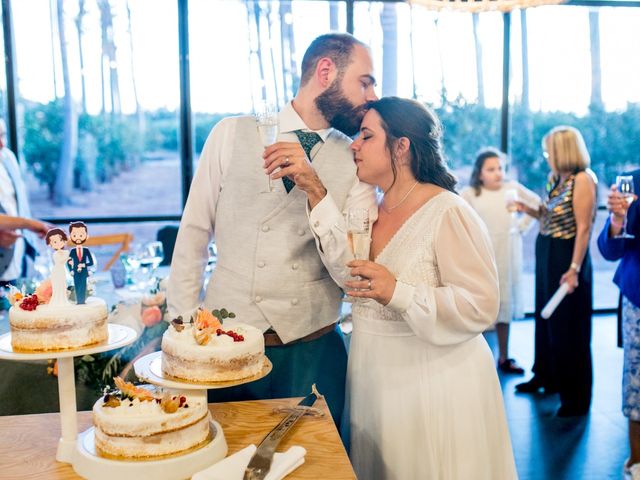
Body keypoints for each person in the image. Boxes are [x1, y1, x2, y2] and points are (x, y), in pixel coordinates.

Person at [290, 97, 517, 479]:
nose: (354, 146)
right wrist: (316, 190)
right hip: (374, 379)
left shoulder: (447, 211)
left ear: (401, 146)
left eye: (366, 136)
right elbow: (350, 274)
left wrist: (401, 292)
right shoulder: (372, 209)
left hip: (433, 385)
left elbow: (481, 304)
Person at [167, 33, 378, 425]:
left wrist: (317, 190)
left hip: (311, 352)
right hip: (221, 345)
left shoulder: (358, 163)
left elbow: (353, 271)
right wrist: (182, 334)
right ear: (326, 71)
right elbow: (194, 234)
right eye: (365, 81)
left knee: (314, 464)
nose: (372, 94)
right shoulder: (230, 134)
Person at [515, 126, 597, 417]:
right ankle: (546, 377)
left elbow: (584, 228)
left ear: (563, 152)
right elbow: (548, 215)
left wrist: (574, 269)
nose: (546, 156)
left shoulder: (583, 180)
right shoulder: (555, 179)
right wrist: (528, 208)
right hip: (547, 250)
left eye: (550, 151)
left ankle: (575, 396)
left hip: (567, 255)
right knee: (545, 317)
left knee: (568, 326)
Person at [461, 148, 540, 374]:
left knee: (503, 301)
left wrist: (520, 227)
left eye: (500, 168)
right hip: (480, 252)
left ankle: (504, 357)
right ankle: (476, 358)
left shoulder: (512, 189)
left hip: (506, 251)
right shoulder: (469, 194)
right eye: (491, 169)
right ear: (480, 173)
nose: (497, 173)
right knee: (479, 303)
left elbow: (536, 204)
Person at [597, 171, 640, 479]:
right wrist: (617, 220)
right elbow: (610, 251)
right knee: (637, 379)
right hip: (639, 296)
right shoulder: (633, 180)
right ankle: (636, 459)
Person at [0, 119, 44, 284]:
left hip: (17, 257)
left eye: (3, 135)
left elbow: (17, 204)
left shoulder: (8, 158)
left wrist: (38, 225)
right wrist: (29, 224)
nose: (2, 144)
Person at [67, 221, 94, 305]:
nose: (78, 237)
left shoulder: (86, 250)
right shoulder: (72, 251)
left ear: (86, 236)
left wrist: (84, 264)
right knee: (77, 285)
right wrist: (70, 269)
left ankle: (82, 301)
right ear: (71, 236)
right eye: (74, 235)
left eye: (81, 235)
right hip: (75, 271)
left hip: (84, 272)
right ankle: (78, 301)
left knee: (83, 286)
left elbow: (91, 262)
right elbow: (68, 261)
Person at [45, 228, 70, 306]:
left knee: (63, 284)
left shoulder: (66, 252)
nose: (58, 243)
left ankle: (63, 300)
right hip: (56, 271)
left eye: (60, 240)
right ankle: (57, 300)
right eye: (55, 242)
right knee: (57, 285)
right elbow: (61, 260)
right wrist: (67, 256)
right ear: (50, 244)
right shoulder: (55, 254)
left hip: (62, 270)